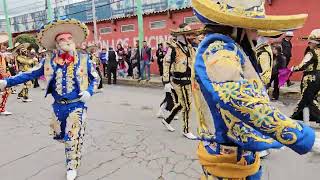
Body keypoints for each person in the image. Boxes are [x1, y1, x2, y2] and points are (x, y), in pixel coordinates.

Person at [191, 0, 320, 179]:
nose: (257, 31)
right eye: (253, 25)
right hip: (228, 159)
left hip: (237, 155)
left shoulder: (229, 49)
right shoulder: (220, 51)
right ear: (235, 26)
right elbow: (239, 100)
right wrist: (302, 136)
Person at [0, 18, 99, 180]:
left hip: (77, 105)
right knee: (60, 135)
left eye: (69, 38)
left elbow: (96, 79)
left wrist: (89, 91)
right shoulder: (48, 62)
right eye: (62, 39)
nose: (66, 41)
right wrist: (6, 82)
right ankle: (72, 147)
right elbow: (29, 74)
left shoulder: (84, 60)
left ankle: (71, 165)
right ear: (56, 44)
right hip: (58, 107)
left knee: (72, 137)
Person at [161, 23, 197, 140]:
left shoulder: (190, 47)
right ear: (180, 35)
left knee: (182, 104)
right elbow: (166, 64)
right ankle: (186, 130)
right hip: (178, 80)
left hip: (188, 80)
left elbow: (193, 63)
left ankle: (167, 120)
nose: (189, 36)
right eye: (186, 34)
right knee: (187, 106)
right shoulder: (173, 47)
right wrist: (166, 81)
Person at [291, 29, 320, 126]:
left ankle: (299, 117)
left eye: (310, 42)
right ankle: (302, 118)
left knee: (307, 98)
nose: (309, 44)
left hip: (311, 77)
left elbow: (303, 65)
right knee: (313, 98)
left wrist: (292, 69)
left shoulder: (312, 53)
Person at [0, 32, 12, 116]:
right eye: (2, 44)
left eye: (5, 44)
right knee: (6, 91)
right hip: (1, 76)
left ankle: (2, 108)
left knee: (6, 91)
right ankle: (2, 109)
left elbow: (5, 66)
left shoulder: (2, 55)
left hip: (3, 75)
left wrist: (7, 72)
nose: (4, 46)